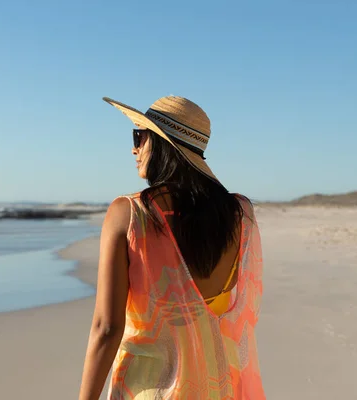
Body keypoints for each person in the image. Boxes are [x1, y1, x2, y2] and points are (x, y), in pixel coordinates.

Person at [78, 95, 265, 399]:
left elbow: (107, 328)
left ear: (162, 144)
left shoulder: (129, 214)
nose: (134, 148)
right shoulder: (239, 214)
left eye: (139, 136)